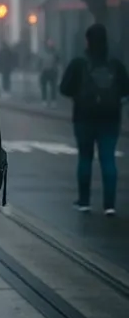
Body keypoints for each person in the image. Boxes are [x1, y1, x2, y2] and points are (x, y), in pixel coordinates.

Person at [59, 23, 129, 215]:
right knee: (108, 159)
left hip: (84, 118)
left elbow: (64, 88)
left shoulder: (79, 63)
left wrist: (78, 95)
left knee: (85, 158)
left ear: (87, 40)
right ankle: (110, 205)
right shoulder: (116, 64)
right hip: (110, 119)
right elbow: (125, 89)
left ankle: (84, 201)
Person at [39, 39, 60, 107]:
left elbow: (58, 61)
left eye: (51, 42)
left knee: (53, 87)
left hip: (52, 71)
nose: (50, 44)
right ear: (47, 44)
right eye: (49, 42)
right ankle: (44, 100)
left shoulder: (55, 52)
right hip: (44, 71)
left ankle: (53, 101)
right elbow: (40, 61)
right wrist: (40, 70)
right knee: (43, 87)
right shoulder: (43, 52)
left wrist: (57, 69)